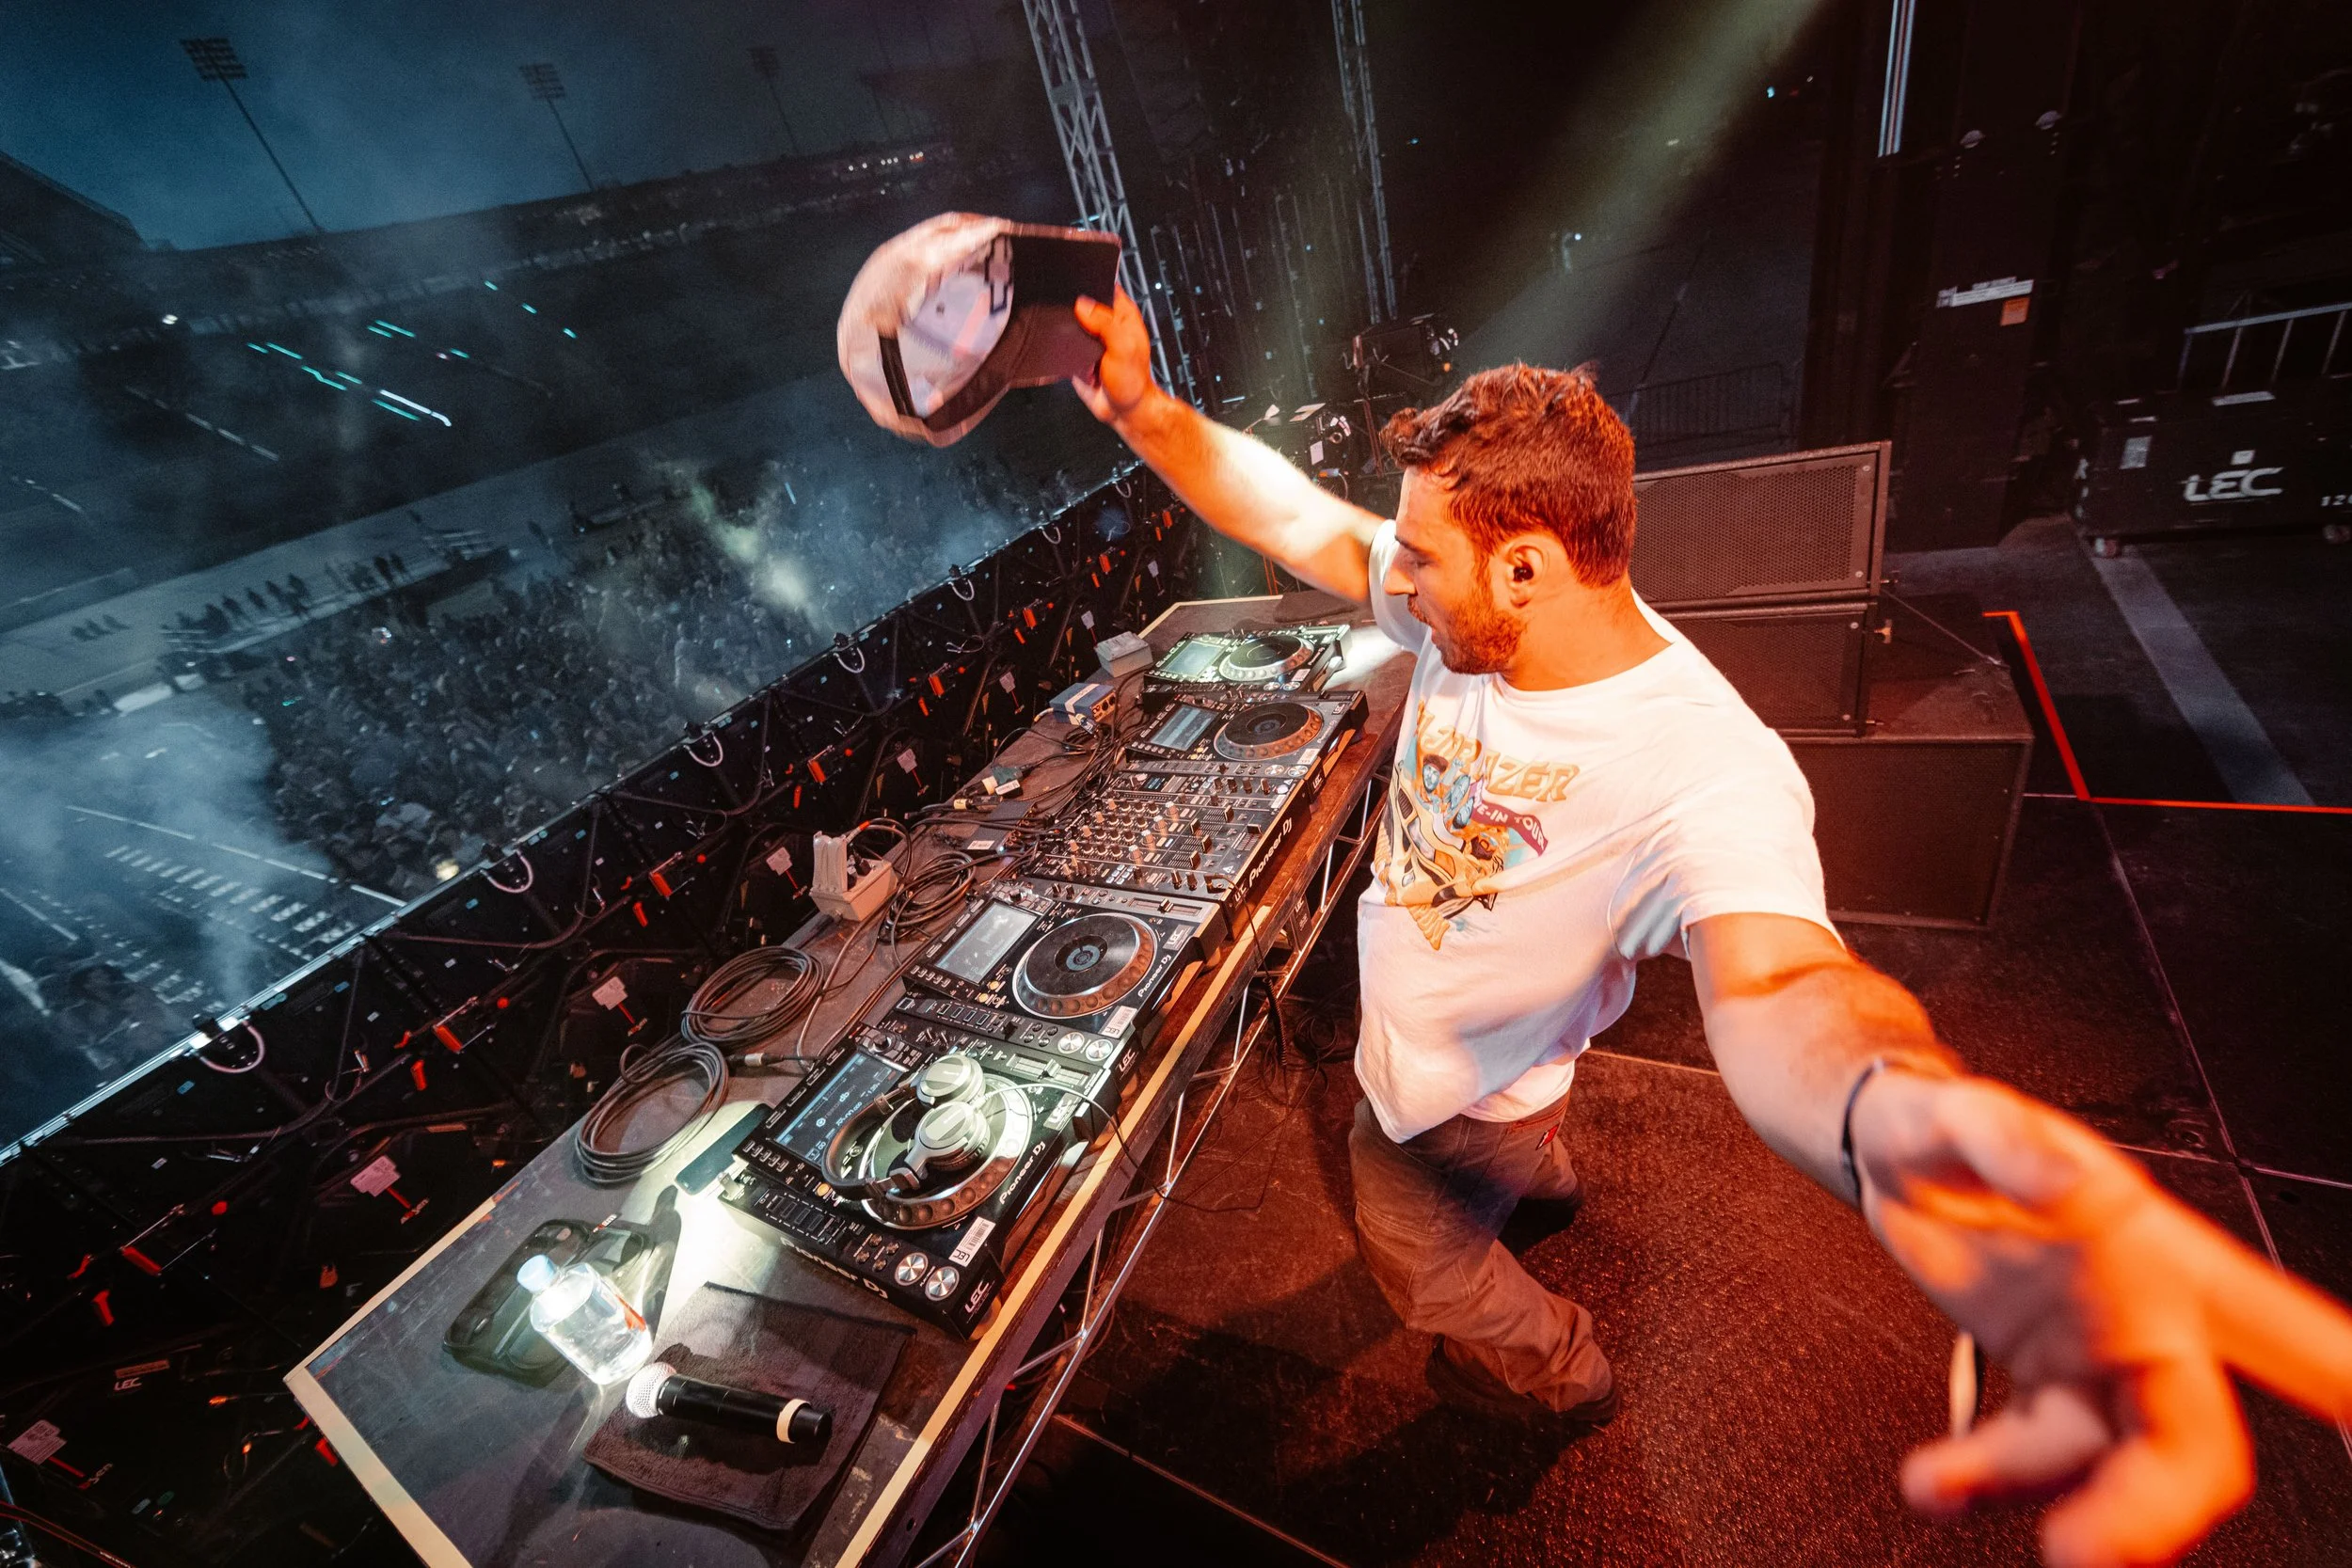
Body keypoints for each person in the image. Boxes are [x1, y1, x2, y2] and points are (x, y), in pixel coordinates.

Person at [1068, 287, 2352, 1568]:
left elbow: (1786, 984)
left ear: (1527, 565)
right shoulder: (1473, 626)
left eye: (1416, 555)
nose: (1388, 577)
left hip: (1453, 1103)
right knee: (1527, 1153)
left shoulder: (1704, 768)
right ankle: (1544, 1176)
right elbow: (1297, 518)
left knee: (1423, 1263)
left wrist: (1882, 1112)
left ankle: (1562, 1373)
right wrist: (1140, 407)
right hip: (1517, 1075)